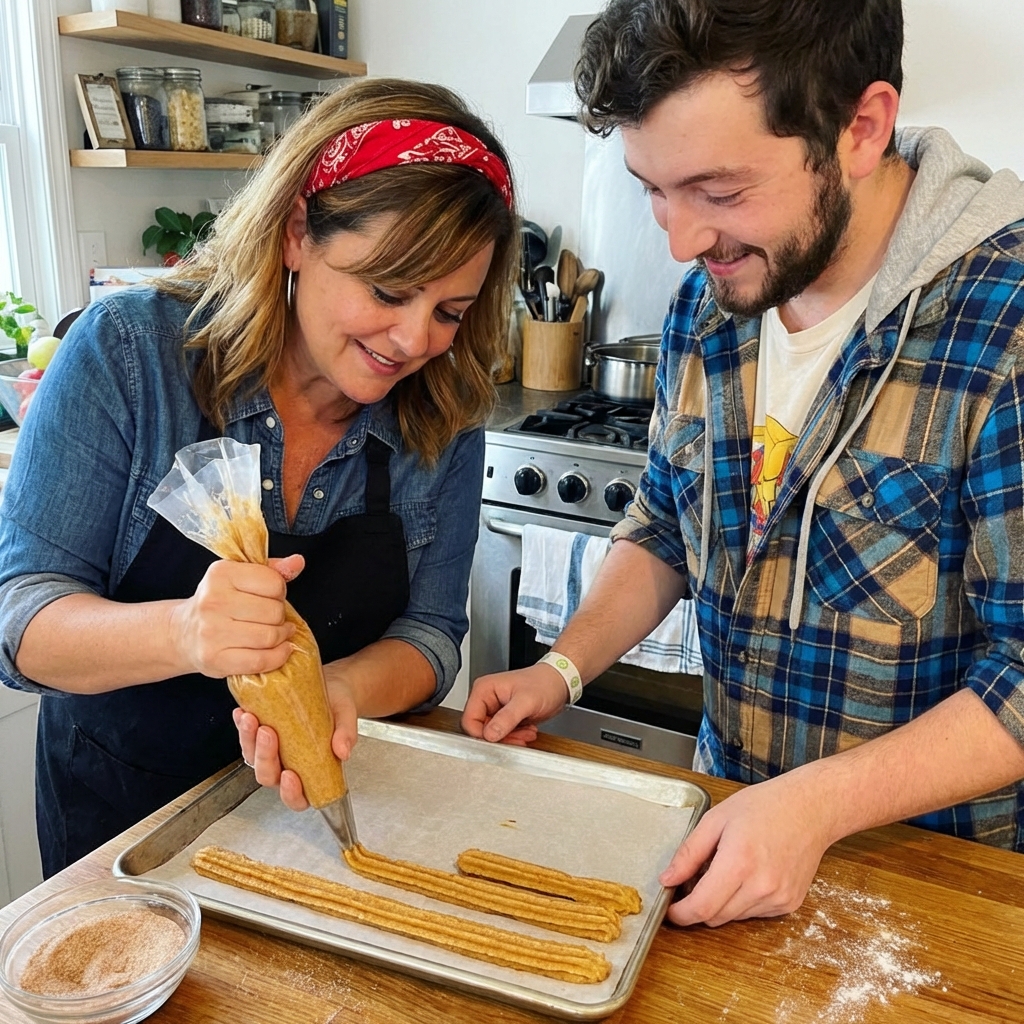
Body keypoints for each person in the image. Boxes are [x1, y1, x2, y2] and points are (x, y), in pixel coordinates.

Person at [464, 0, 1024, 927]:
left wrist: (815, 805)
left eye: (719, 193)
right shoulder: (709, 304)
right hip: (721, 841)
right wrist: (562, 669)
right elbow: (665, 523)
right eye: (654, 188)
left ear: (862, 127)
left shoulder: (1002, 325)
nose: (681, 241)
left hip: (927, 898)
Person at [0, 78, 518, 877]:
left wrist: (333, 692)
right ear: (296, 234)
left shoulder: (445, 414)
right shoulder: (132, 357)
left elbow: (430, 635)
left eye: (451, 311)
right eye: (388, 289)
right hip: (122, 827)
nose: (416, 339)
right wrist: (185, 632)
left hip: (314, 817)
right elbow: (20, 623)